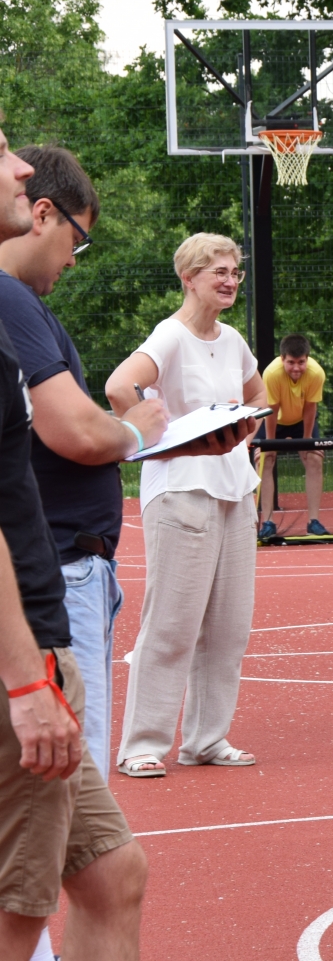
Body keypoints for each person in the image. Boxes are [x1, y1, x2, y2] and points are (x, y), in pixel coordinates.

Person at [0, 144, 167, 781]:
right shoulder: (11, 299)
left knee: (85, 809)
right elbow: (73, 429)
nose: (74, 258)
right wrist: (134, 431)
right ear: (43, 214)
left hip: (64, 568)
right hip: (58, 570)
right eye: (77, 239)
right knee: (67, 780)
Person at [0, 300, 147, 959]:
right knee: (16, 913)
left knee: (113, 875)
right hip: (25, 651)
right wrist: (28, 681)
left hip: (39, 638)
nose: (72, 256)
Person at [105, 233, 266, 778]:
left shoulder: (234, 340)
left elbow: (258, 398)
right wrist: (166, 438)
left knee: (229, 627)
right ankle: (142, 743)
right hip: (180, 490)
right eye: (218, 271)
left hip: (235, 490)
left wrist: (241, 428)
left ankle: (206, 739)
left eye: (235, 272)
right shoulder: (170, 335)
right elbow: (119, 387)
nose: (230, 280)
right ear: (188, 277)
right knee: (172, 623)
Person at [257, 333, 328, 539]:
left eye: (301, 362)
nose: (296, 368)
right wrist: (271, 444)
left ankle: (313, 522)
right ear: (282, 359)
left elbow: (310, 407)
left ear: (307, 359)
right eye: (291, 362)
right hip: (273, 419)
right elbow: (271, 409)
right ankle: (267, 522)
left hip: (301, 420)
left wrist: (306, 441)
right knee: (264, 460)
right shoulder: (272, 373)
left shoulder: (316, 373)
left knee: (314, 458)